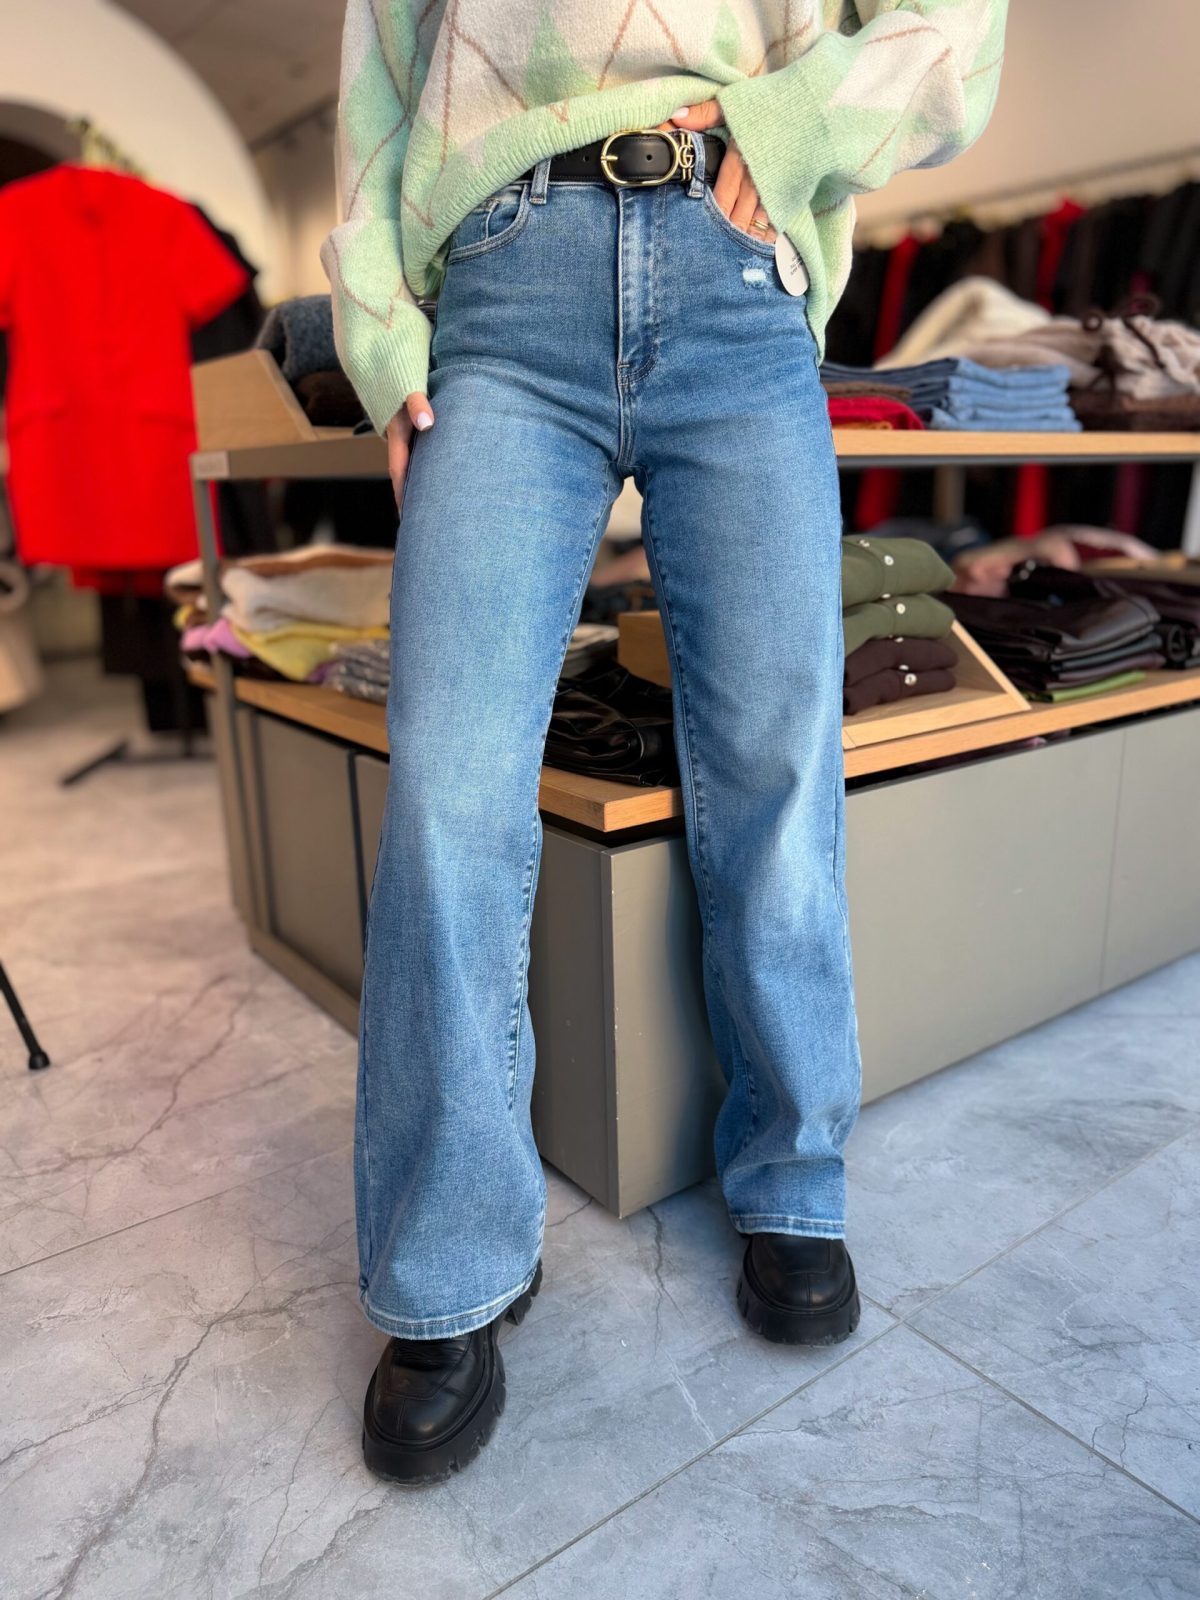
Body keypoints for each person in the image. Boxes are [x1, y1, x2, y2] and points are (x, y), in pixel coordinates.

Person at [322, 0, 1009, 1485]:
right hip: (502, 290)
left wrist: (794, 125)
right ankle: (449, 1259)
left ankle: (794, 1177)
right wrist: (380, 333)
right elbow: (380, 75)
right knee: (446, 786)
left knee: (776, 764)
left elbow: (958, 25)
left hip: (736, 277)